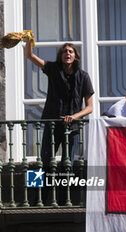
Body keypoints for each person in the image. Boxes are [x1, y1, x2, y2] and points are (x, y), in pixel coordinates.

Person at [24, 36, 94, 170]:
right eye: (64, 51)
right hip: (52, 123)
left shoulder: (83, 76)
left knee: (67, 166)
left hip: (72, 128)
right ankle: (41, 191)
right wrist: (28, 40)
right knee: (44, 162)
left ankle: (64, 191)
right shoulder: (53, 69)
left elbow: (90, 107)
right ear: (60, 55)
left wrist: (73, 117)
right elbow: (29, 56)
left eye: (70, 51)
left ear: (75, 56)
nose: (67, 53)